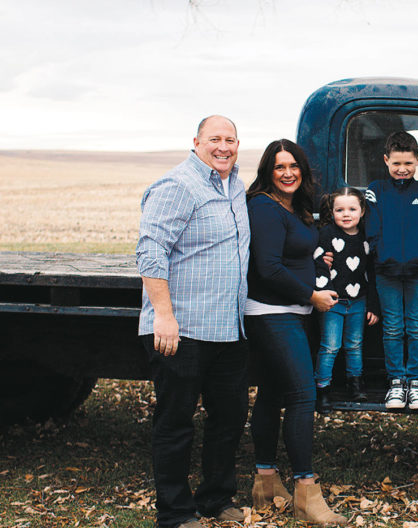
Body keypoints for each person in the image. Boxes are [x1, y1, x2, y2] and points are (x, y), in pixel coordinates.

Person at [136, 115, 250, 528]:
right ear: (197, 142)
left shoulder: (234, 185)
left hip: (227, 328)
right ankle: (175, 513)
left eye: (230, 139)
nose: (223, 146)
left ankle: (215, 499)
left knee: (230, 416)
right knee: (176, 422)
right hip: (181, 329)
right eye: (214, 139)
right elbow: (150, 253)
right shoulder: (176, 186)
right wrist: (163, 317)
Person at [245, 139, 347, 525]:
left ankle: (266, 480)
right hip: (272, 313)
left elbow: (291, 251)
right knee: (303, 395)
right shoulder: (265, 207)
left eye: (293, 166)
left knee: (272, 393)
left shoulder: (294, 206)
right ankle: (307, 491)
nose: (287, 173)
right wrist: (310, 294)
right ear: (268, 172)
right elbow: (268, 267)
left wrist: (315, 257)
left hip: (293, 310)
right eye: (279, 167)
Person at [365, 131, 418, 410]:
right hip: (386, 273)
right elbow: (373, 230)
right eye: (396, 163)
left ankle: (416, 384)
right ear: (386, 160)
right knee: (393, 328)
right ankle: (397, 383)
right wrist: (383, 256)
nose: (402, 169)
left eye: (408, 163)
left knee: (417, 327)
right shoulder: (376, 190)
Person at [313, 186, 380, 412]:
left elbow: (370, 274)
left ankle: (356, 383)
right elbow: (319, 266)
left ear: (362, 211)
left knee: (354, 344)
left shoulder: (365, 238)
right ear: (331, 212)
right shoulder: (327, 234)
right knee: (330, 345)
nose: (346, 214)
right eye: (340, 210)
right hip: (333, 301)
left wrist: (372, 305)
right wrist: (327, 293)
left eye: (352, 209)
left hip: (358, 301)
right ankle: (322, 389)